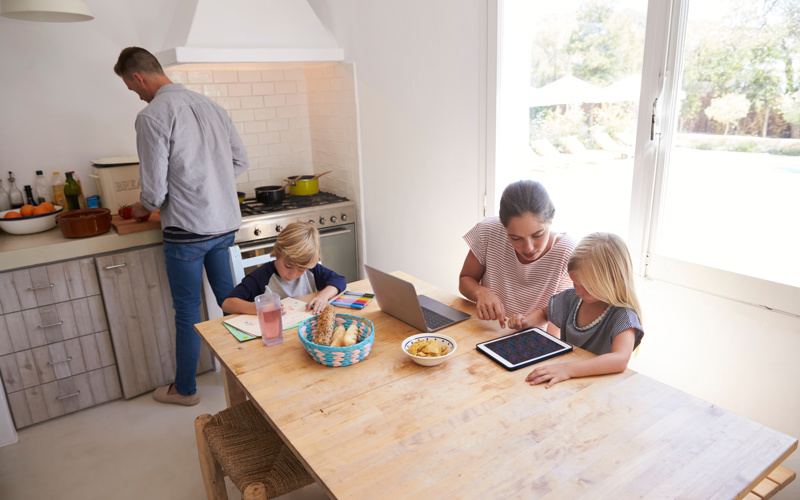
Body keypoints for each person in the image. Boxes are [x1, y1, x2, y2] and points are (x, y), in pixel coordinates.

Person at [114, 47, 249, 406]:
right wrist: (210, 185)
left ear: (138, 77)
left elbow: (154, 194)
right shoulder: (212, 107)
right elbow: (240, 160)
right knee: (230, 300)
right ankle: (251, 373)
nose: (137, 95)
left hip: (187, 233)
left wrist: (136, 210)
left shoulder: (152, 115)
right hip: (223, 226)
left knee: (188, 311)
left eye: (132, 88)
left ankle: (185, 390)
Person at [508, 232, 644, 388]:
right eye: (575, 283)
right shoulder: (573, 298)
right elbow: (544, 314)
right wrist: (525, 321)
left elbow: (620, 359)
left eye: (586, 287)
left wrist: (567, 369)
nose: (578, 290)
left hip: (595, 389)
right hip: (563, 383)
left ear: (610, 281)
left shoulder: (623, 317)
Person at [459, 180, 575, 328]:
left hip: (533, 341)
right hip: (485, 330)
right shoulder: (488, 231)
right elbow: (465, 279)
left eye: (537, 235)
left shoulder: (566, 252)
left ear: (551, 219)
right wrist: (480, 292)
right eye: (515, 238)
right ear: (503, 225)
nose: (528, 248)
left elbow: (557, 323)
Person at [222, 222, 346, 314]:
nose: (293, 274)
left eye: (301, 270)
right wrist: (258, 308)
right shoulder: (262, 275)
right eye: (288, 266)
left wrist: (323, 296)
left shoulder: (311, 270)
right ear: (277, 252)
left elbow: (339, 280)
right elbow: (227, 304)